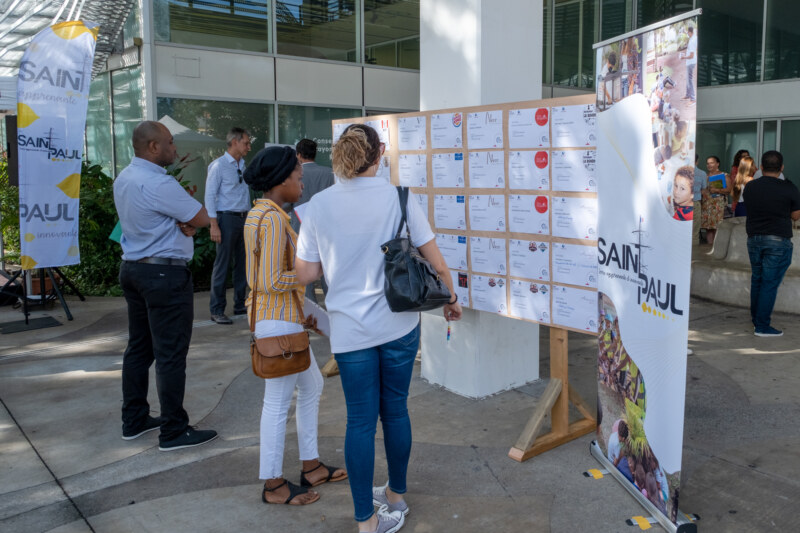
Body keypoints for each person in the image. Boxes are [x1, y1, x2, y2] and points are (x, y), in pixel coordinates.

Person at [294, 123, 463, 533]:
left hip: (350, 332)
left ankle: (365, 521)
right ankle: (395, 497)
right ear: (380, 152)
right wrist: (451, 299)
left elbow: (307, 274)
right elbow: (436, 260)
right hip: (398, 325)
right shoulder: (398, 197)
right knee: (396, 410)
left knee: (359, 421)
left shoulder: (318, 206)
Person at [242, 146, 347, 506]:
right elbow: (271, 279)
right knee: (277, 403)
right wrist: (310, 273)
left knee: (313, 385)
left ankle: (311, 466)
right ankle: (273, 484)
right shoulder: (272, 220)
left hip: (281, 318)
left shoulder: (261, 213)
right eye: (298, 178)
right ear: (281, 180)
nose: (302, 184)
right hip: (277, 322)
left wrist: (307, 310)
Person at [114, 121, 218, 451]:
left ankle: (134, 420)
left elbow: (171, 218)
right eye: (170, 143)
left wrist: (183, 222)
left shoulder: (124, 178)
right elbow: (202, 217)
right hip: (163, 275)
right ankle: (173, 431)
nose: (175, 148)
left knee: (139, 348)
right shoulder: (159, 182)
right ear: (154, 147)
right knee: (170, 354)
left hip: (134, 269)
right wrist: (188, 222)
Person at [743, 150, 800, 337]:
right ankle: (762, 326)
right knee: (769, 283)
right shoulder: (789, 188)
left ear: (761, 167)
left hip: (754, 239)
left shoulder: (750, 187)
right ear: (781, 167)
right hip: (778, 240)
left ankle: (756, 319)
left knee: (757, 279)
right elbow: (795, 216)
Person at [206, 127, 252, 325]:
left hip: (244, 218)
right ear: (235, 142)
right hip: (226, 218)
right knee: (222, 265)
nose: (249, 147)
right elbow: (209, 195)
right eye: (246, 143)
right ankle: (217, 309)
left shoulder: (243, 165)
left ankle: (240, 304)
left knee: (242, 264)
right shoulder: (218, 166)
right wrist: (213, 225)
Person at [289, 139, 335, 303]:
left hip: (300, 228)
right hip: (326, 229)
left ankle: (309, 307)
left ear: (298, 155)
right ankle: (332, 304)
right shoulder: (329, 173)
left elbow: (289, 203)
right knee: (326, 268)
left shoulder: (295, 174)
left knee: (304, 269)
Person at [701, 155, 730, 245]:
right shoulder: (705, 176)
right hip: (706, 205)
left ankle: (717, 248)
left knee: (717, 227)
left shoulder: (724, 175)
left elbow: (729, 190)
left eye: (712, 163)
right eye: (708, 163)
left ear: (717, 164)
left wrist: (717, 190)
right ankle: (709, 247)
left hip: (718, 206)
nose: (709, 165)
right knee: (708, 228)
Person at [692, 154, 708, 242]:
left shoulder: (679, 171)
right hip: (695, 202)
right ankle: (694, 247)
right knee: (695, 230)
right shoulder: (702, 173)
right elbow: (704, 189)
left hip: (681, 203)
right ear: (697, 162)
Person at [680, 25, 697, 104]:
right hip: (690, 62)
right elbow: (691, 51)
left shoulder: (692, 41)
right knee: (688, 79)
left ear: (690, 32)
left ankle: (693, 99)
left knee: (689, 79)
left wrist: (684, 57)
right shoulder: (693, 37)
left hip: (691, 62)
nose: (687, 34)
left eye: (688, 32)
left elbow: (691, 56)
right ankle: (687, 95)